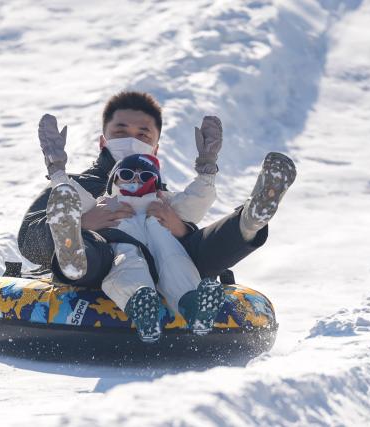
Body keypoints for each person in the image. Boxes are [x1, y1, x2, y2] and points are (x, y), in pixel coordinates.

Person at [17, 91, 296, 334]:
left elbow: (192, 207)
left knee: (187, 248)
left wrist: (181, 228)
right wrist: (83, 223)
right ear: (103, 141)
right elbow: (27, 239)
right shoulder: (74, 187)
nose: (131, 140)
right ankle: (75, 254)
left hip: (164, 267)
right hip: (99, 269)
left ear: (155, 148)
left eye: (142, 135)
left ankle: (249, 221)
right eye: (121, 132)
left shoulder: (160, 197)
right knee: (102, 252)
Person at [48, 152, 224, 342]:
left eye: (146, 176)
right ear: (114, 179)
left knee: (174, 259)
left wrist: (207, 173)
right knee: (129, 260)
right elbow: (73, 195)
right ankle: (141, 302)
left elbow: (195, 200)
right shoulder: (105, 204)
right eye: (126, 174)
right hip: (123, 245)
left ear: (156, 184)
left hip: (162, 248)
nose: (136, 180)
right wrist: (58, 173)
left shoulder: (165, 204)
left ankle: (193, 305)